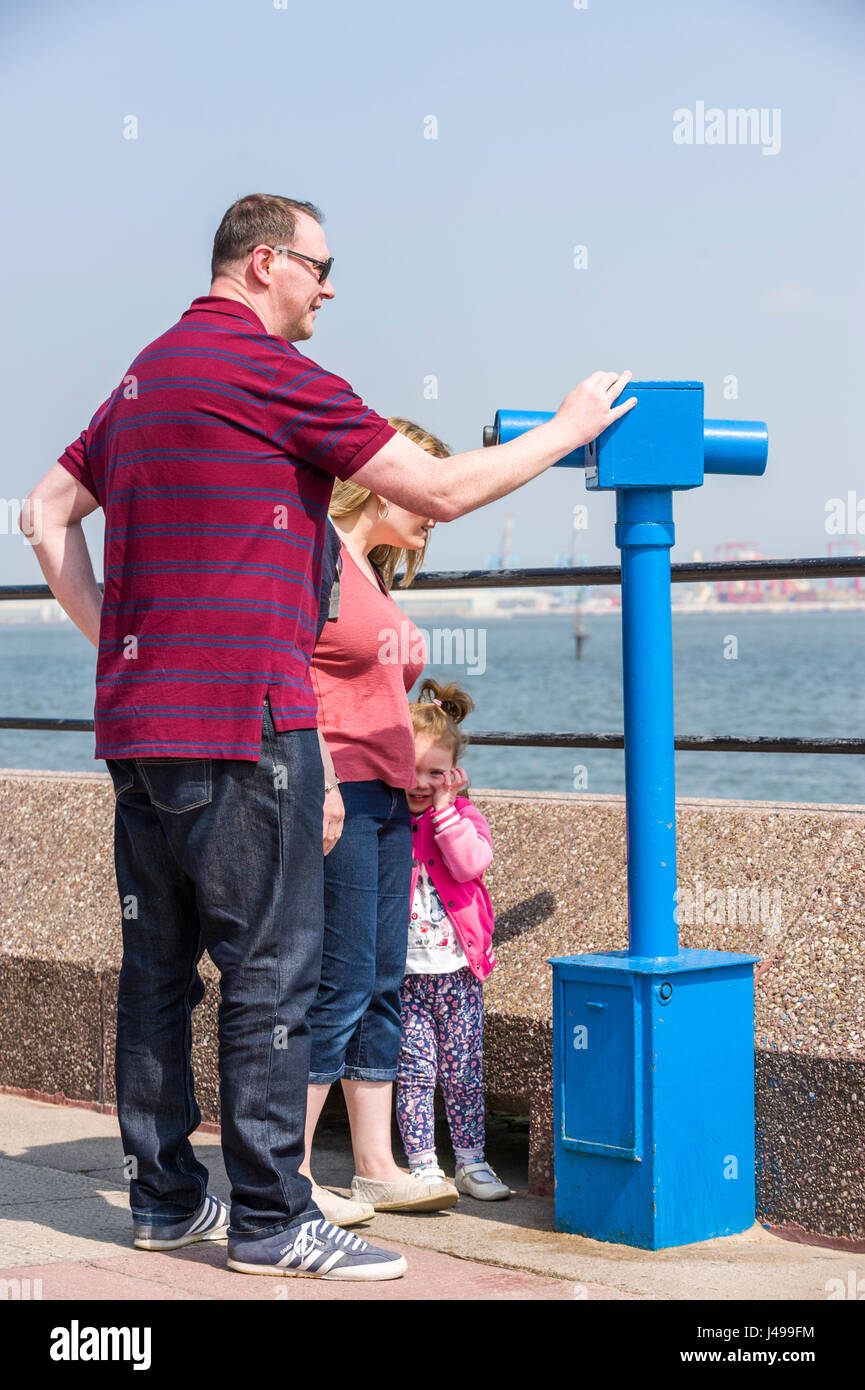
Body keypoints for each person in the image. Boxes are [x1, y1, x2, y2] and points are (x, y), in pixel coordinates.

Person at [20, 191, 636, 1280]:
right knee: (271, 975)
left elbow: (43, 514)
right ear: (264, 264)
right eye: (321, 265)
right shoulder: (270, 372)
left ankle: (166, 1202)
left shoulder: (143, 372)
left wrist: (122, 647)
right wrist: (569, 428)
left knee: (157, 972)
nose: (330, 286)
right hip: (245, 727)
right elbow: (437, 490)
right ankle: (270, 1219)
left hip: (140, 728)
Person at [302, 419, 460, 1224]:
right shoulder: (317, 547)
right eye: (420, 482)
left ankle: (373, 1166)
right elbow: (283, 667)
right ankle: (287, 1175)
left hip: (389, 797)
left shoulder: (370, 568)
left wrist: (424, 769)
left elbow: (377, 694)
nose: (434, 504)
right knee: (335, 980)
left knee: (380, 983)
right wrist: (324, 778)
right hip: (338, 796)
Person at [394, 679, 509, 1201]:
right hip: (404, 974)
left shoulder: (464, 818)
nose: (422, 782)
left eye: (435, 773)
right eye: (411, 770)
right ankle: (421, 1164)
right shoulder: (386, 819)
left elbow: (468, 865)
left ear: (454, 775)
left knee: (463, 1070)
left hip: (459, 972)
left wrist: (444, 809)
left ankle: (471, 1161)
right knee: (414, 1072)